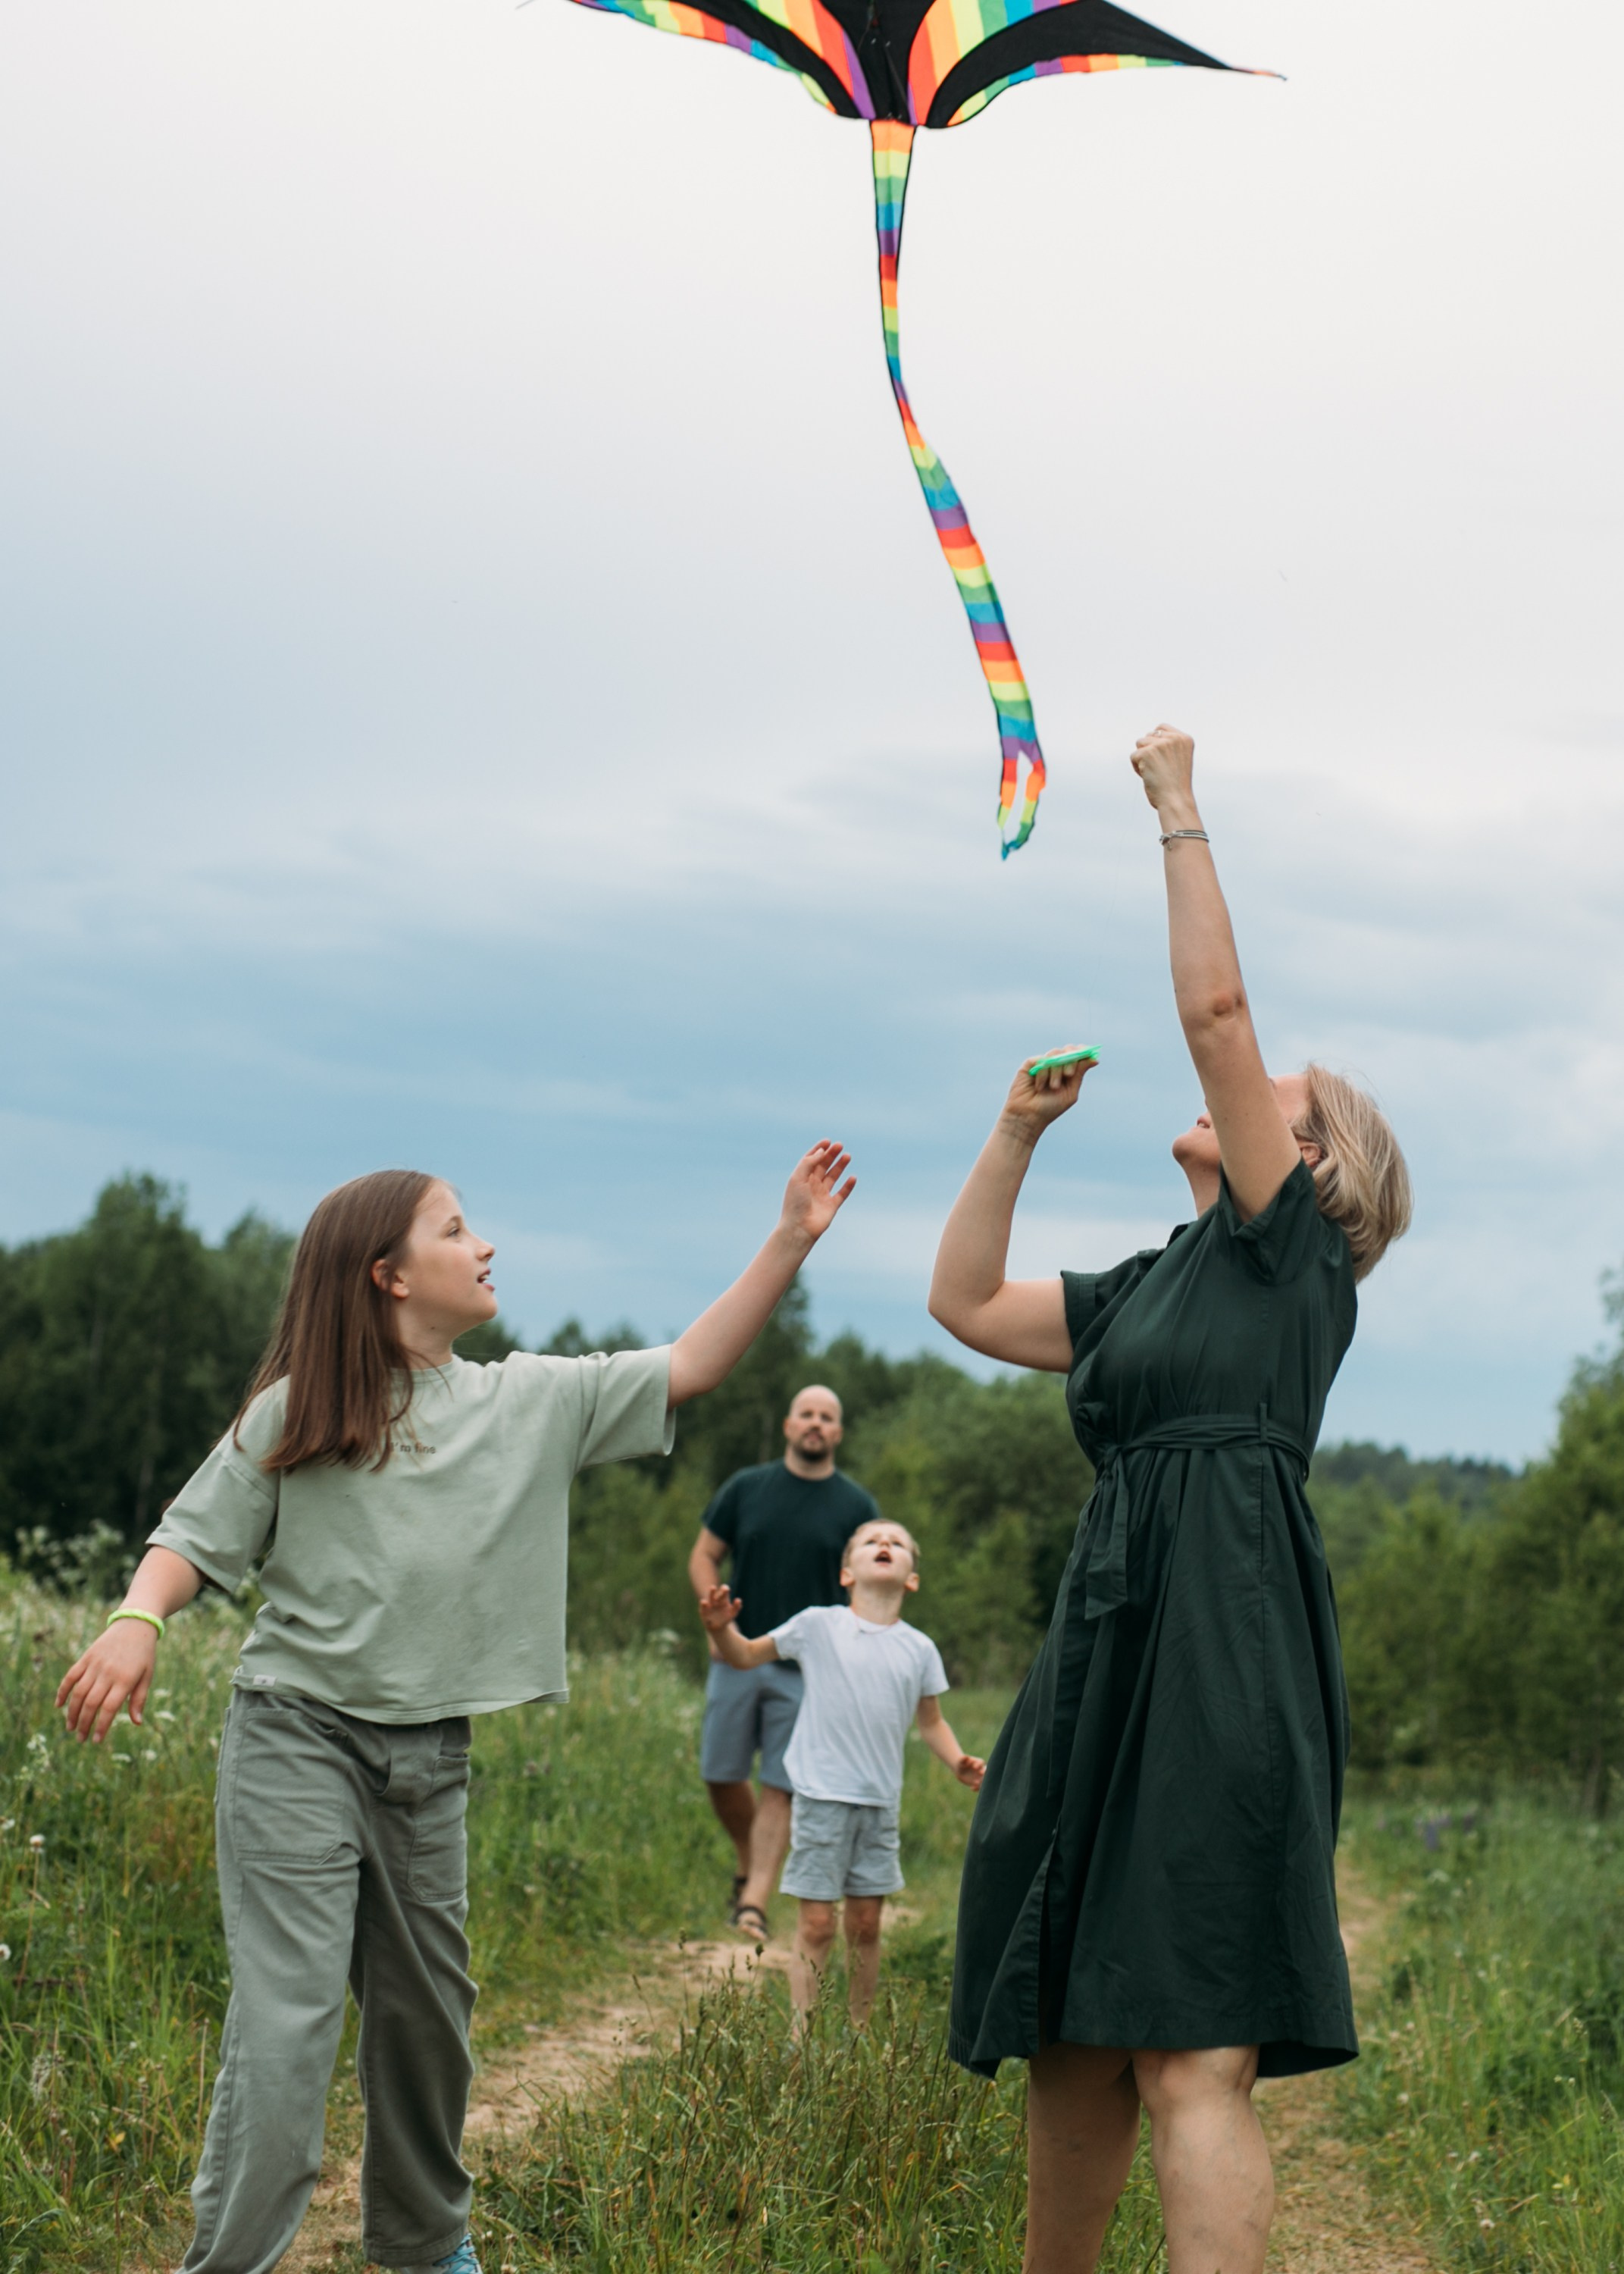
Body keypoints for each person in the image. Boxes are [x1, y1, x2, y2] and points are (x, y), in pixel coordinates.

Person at [55, 1142, 856, 2274]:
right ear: (386, 1274)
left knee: (428, 2022)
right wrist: (136, 1623)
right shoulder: (303, 1409)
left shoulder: (527, 1402)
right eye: (454, 1230)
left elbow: (689, 1366)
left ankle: (426, 2247)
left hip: (429, 1759)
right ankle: (228, 2262)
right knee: (288, 2030)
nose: (482, 1247)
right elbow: (190, 1537)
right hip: (297, 1737)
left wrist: (789, 1239)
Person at [928, 725, 1413, 2274]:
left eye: (1286, 1097)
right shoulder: (1151, 1286)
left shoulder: (1291, 1259)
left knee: (1190, 2042)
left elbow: (1214, 1010)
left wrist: (1178, 807)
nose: (1248, 1086)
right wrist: (1013, 1133)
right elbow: (963, 1304)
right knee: (1073, 2027)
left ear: (1316, 1163)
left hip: (1223, 1637)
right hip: (1108, 1642)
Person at [699, 1517, 984, 2030]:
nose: (884, 1544)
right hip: (820, 1797)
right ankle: (800, 2039)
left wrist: (958, 1761)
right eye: (871, 1540)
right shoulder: (817, 1626)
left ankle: (857, 2035)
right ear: (846, 1573)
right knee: (816, 1922)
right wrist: (721, 1627)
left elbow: (931, 1721)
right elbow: (744, 1656)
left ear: (911, 1578)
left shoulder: (919, 1649)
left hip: (879, 1803)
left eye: (896, 1542)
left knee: (867, 1925)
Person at [687, 1384, 880, 1941]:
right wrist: (714, 1615)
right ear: (789, 1426)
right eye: (806, 1414)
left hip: (808, 1671)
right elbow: (703, 1553)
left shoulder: (856, 1507)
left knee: (780, 1786)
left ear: (838, 1433)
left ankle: (752, 1902)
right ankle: (750, 1859)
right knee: (720, 1776)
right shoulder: (747, 1487)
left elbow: (864, 1583)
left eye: (827, 1416)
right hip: (738, 1655)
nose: (816, 1423)